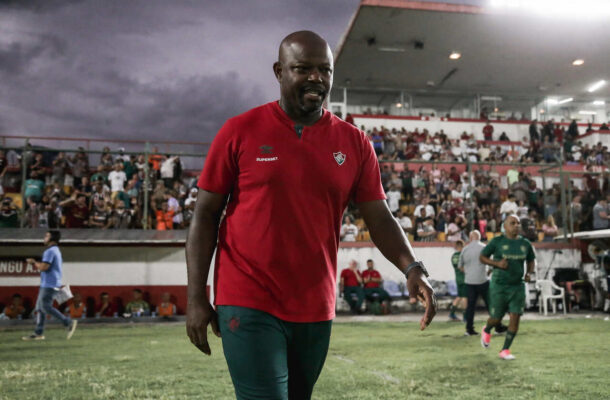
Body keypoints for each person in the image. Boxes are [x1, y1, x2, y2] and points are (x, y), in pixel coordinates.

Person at [186, 31, 436, 400]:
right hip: (248, 296)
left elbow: (379, 218)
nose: (316, 78)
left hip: (316, 303)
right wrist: (195, 297)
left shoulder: (354, 143)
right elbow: (205, 216)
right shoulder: (239, 131)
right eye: (303, 68)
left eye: (325, 70)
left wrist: (413, 268)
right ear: (279, 71)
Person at [480, 215, 535, 360]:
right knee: (496, 318)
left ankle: (505, 350)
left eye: (518, 223)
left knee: (515, 317)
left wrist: (529, 273)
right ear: (505, 226)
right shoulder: (497, 241)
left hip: (517, 286)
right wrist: (497, 264)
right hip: (499, 286)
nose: (516, 225)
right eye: (513, 223)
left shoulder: (525, 244)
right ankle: (487, 329)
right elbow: (482, 257)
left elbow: (531, 260)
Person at [22, 230, 78, 341]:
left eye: (47, 236)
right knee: (40, 309)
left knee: (45, 307)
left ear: (52, 238)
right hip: (49, 284)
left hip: (49, 284)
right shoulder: (56, 250)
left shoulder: (50, 251)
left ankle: (68, 322)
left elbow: (43, 267)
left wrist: (33, 262)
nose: (44, 237)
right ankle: (38, 333)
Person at [460, 231, 507, 336]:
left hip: (469, 281)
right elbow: (490, 264)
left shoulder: (465, 249)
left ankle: (469, 329)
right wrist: (487, 272)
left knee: (470, 307)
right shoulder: (484, 248)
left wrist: (468, 272)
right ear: (479, 237)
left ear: (471, 238)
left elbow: (460, 266)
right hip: (482, 280)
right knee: (491, 305)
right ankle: (498, 327)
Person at [449, 240, 466, 322]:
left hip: (458, 278)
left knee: (459, 296)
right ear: (461, 246)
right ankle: (465, 317)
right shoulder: (463, 255)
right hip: (465, 278)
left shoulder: (453, 256)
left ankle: (452, 314)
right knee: (465, 298)